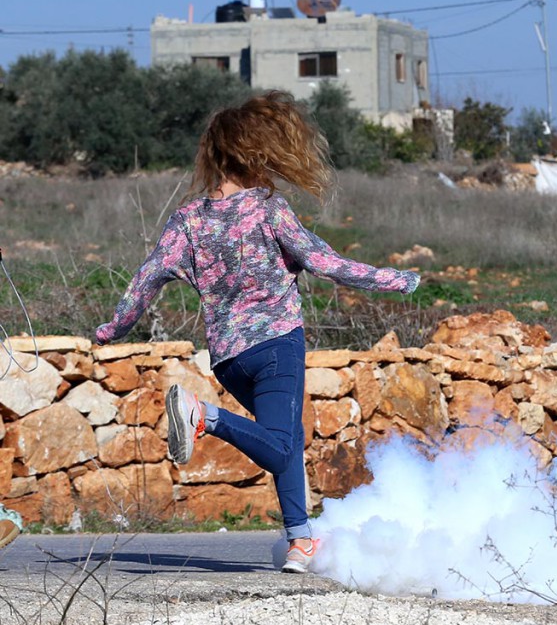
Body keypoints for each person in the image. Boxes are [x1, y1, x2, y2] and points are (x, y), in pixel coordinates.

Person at [95, 91, 420, 573]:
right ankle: (204, 416)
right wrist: (398, 279)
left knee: (283, 436)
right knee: (283, 444)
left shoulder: (186, 220)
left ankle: (300, 543)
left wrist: (108, 330)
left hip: (228, 358)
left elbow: (145, 280)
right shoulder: (268, 207)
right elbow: (321, 260)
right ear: (254, 153)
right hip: (275, 345)